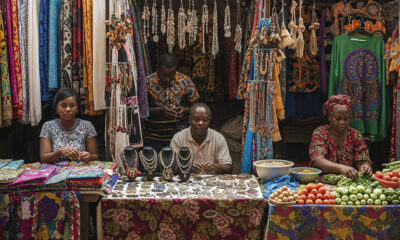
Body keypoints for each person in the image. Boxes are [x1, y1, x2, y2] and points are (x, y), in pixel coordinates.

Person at [309, 94, 373, 179]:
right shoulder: (320, 132)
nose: (342, 122)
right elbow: (317, 160)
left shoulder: (355, 134)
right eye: (338, 118)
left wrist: (365, 166)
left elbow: (362, 158)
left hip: (347, 180)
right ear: (329, 117)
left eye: (345, 119)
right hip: (322, 180)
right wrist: (341, 168)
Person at [145, 53, 200, 151]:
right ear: (157, 68)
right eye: (164, 75)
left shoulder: (186, 81)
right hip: (153, 138)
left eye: (171, 75)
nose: (167, 78)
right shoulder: (147, 83)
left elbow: (198, 109)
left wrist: (185, 110)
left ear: (176, 70)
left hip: (180, 138)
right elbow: (140, 111)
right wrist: (160, 110)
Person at [40, 88, 99, 163]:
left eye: (72, 105)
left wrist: (89, 157)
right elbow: (43, 158)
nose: (68, 109)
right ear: (57, 108)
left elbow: (95, 156)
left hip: (80, 171)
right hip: (56, 172)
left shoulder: (87, 126)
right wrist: (60, 152)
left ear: (77, 108)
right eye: (63, 106)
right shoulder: (48, 126)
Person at [170, 103, 232, 174]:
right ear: (190, 120)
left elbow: (228, 168)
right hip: (186, 182)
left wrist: (218, 167)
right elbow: (170, 168)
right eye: (196, 119)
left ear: (210, 120)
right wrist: (185, 167)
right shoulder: (178, 138)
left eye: (205, 120)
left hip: (212, 182)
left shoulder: (218, 138)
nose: (201, 123)